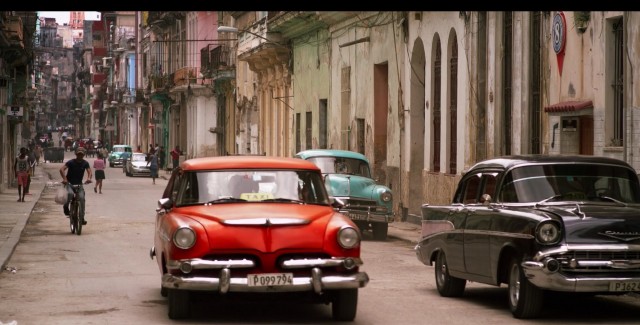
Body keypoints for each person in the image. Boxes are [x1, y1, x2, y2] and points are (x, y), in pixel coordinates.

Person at [60, 147, 93, 225]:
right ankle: (66, 206)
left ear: (83, 155)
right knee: (70, 194)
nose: (80, 156)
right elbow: (62, 169)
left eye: (81, 154)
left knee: (81, 199)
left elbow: (89, 171)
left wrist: (88, 178)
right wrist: (65, 179)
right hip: (69, 184)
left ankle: (82, 218)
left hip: (79, 184)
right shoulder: (71, 162)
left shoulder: (85, 163)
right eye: (79, 154)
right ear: (76, 154)